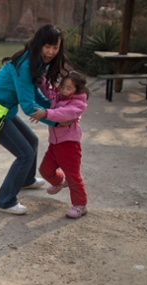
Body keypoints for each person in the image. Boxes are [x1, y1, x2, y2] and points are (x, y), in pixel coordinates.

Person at [0, 24, 70, 215]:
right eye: (47, 46)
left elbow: (35, 94)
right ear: (39, 44)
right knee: (25, 154)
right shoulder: (24, 64)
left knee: (32, 141)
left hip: (5, 109)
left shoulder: (36, 62)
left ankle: (26, 180)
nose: (51, 52)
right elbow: (29, 106)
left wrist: (56, 109)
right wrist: (56, 120)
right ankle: (4, 201)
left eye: (55, 48)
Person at [30, 71, 89, 218]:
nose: (63, 90)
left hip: (69, 145)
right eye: (63, 86)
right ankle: (60, 182)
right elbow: (48, 91)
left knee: (73, 176)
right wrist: (41, 79)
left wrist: (46, 114)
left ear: (77, 90)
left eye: (69, 88)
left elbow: (65, 113)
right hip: (55, 144)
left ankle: (80, 205)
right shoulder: (58, 96)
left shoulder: (78, 103)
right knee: (45, 170)